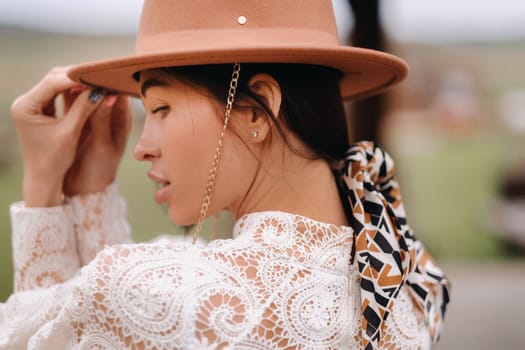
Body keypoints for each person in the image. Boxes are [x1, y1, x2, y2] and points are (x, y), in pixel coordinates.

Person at [0, 0, 450, 349]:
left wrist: (44, 186)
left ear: (256, 111)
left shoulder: (161, 293)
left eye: (161, 107)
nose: (139, 147)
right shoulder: (397, 274)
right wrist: (92, 189)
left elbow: (38, 331)